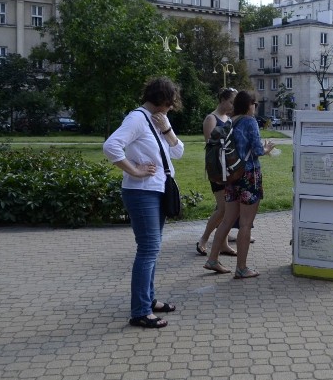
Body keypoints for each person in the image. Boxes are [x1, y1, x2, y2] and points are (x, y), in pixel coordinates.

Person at [103, 77, 184, 329]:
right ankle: (140, 311)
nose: (171, 107)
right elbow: (111, 146)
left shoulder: (157, 120)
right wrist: (134, 170)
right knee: (148, 250)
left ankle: (148, 300)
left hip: (156, 191)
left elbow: (178, 151)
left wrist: (168, 130)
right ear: (162, 100)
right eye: (170, 103)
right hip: (142, 193)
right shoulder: (137, 119)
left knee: (153, 249)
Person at [204, 90, 275, 278]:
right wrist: (267, 148)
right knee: (245, 223)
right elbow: (257, 150)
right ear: (249, 104)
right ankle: (241, 268)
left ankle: (212, 259)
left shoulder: (230, 121)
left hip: (232, 176)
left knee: (227, 219)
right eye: (255, 104)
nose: (256, 107)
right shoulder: (250, 121)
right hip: (249, 175)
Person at [196, 87, 241, 258]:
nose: (232, 105)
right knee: (223, 209)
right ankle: (203, 240)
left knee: (228, 209)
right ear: (222, 99)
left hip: (229, 169)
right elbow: (211, 146)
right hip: (217, 170)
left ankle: (223, 245)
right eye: (230, 102)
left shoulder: (228, 118)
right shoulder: (211, 118)